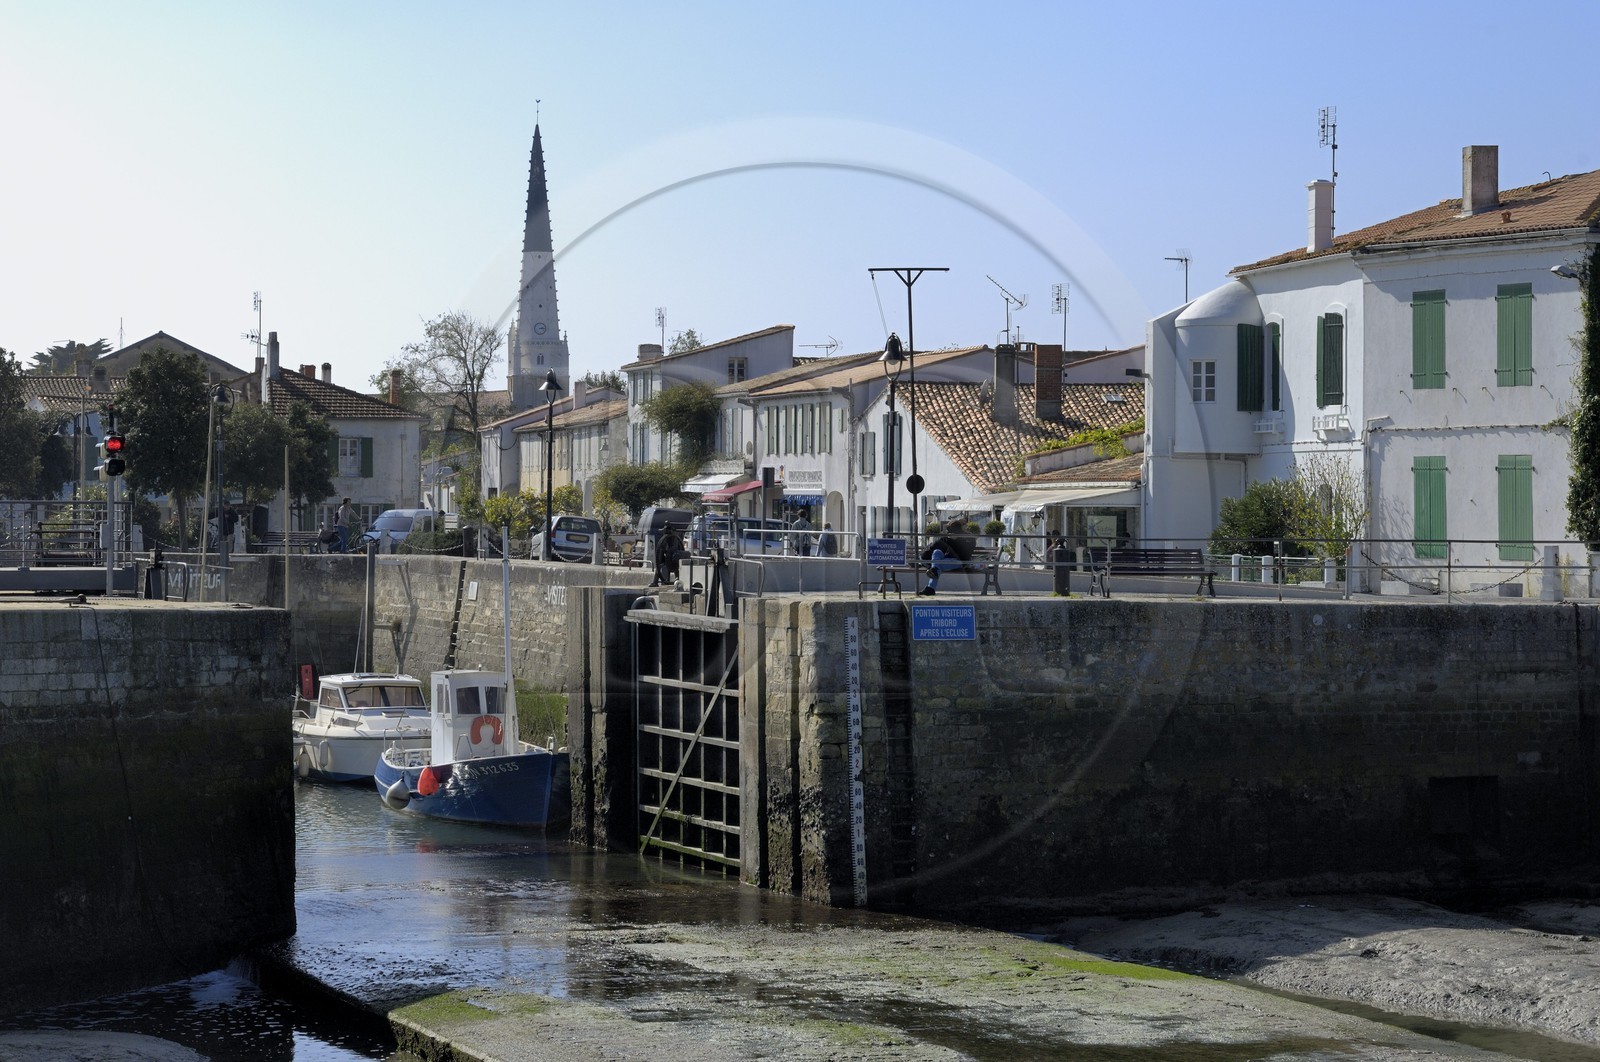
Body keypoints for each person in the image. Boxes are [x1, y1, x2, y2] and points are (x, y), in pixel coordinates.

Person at [918, 518, 976, 596]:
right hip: (946, 559)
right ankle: (934, 570)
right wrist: (948, 537)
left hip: (960, 561)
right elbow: (933, 547)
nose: (963, 526)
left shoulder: (969, 537)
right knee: (937, 552)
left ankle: (931, 587)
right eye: (960, 524)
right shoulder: (949, 535)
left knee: (937, 566)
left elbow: (967, 552)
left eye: (964, 524)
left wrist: (958, 539)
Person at [650, 524, 684, 588]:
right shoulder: (669, 537)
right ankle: (656, 581)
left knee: (674, 566)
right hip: (666, 551)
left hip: (670, 553)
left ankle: (677, 580)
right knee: (659, 565)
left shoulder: (674, 537)